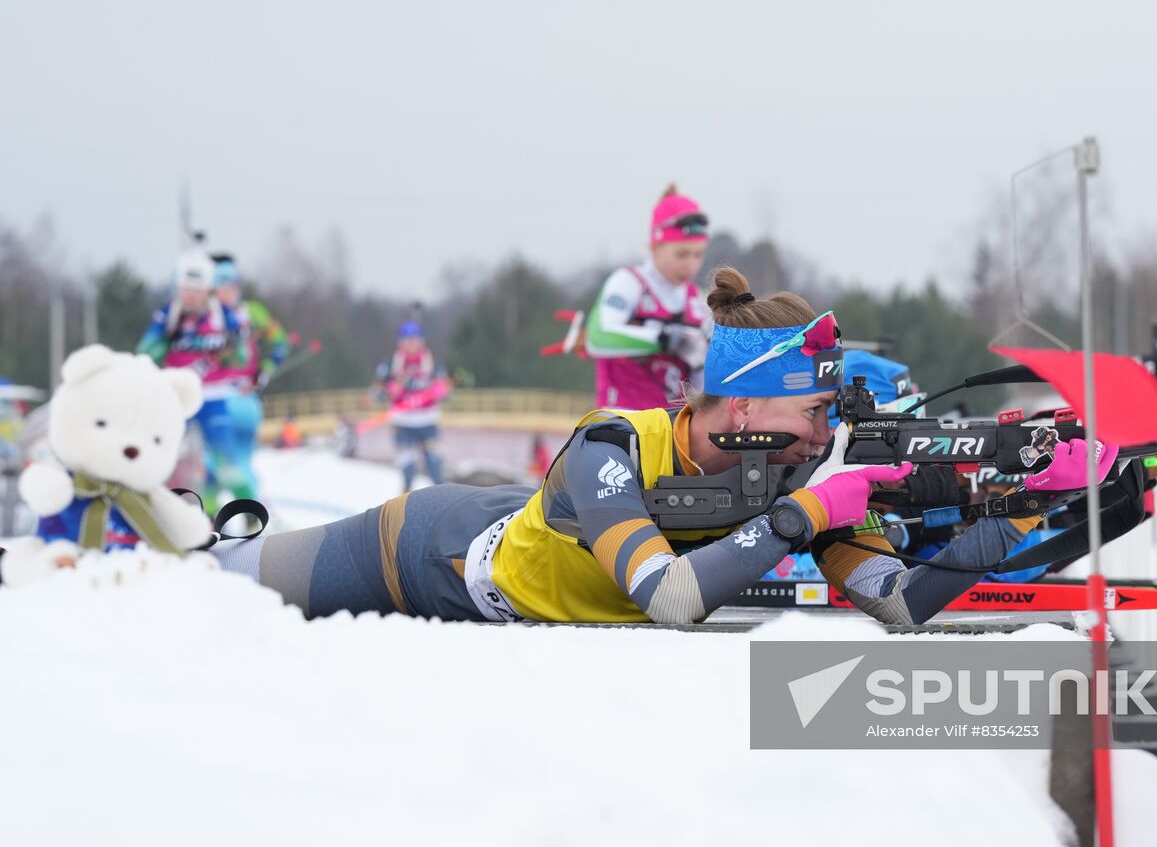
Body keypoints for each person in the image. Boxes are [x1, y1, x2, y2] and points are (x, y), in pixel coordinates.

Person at [211, 269, 1102, 626]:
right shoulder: (611, 448)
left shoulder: (795, 471)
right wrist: (811, 511)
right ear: (750, 400)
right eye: (816, 410)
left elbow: (899, 603)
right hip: (414, 550)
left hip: (509, 546)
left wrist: (1014, 515)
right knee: (211, 577)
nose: (827, 432)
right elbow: (671, 599)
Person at [136, 249, 248, 511]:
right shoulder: (169, 314)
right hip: (177, 395)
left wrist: (230, 353)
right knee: (167, 452)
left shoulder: (222, 314)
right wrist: (166, 339)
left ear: (208, 289)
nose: (192, 297)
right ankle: (156, 510)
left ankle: (245, 510)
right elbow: (145, 352)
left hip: (213, 395)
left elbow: (241, 355)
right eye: (187, 290)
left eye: (197, 291)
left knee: (224, 458)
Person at [584, 184, 712, 409]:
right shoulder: (629, 283)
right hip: (622, 423)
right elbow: (598, 337)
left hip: (671, 427)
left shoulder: (697, 301)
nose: (691, 264)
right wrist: (663, 339)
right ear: (656, 247)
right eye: (681, 254)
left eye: (698, 255)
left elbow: (703, 388)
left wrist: (701, 362)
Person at [207, 256, 291, 505]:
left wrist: (263, 369)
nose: (225, 294)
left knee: (213, 463)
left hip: (226, 400)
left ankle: (214, 520)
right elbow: (280, 343)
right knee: (239, 460)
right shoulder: (251, 311)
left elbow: (280, 343)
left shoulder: (207, 316)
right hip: (245, 400)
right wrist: (265, 370)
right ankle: (250, 515)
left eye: (228, 288)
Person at [378, 321, 448, 491]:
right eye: (407, 339)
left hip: (427, 421)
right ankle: (405, 504)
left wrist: (440, 390)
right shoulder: (390, 364)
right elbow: (377, 393)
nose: (411, 343)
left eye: (415, 339)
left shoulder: (432, 362)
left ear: (422, 341)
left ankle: (443, 501)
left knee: (434, 465)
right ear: (400, 341)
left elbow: (445, 389)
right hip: (402, 423)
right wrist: (390, 390)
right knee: (407, 466)